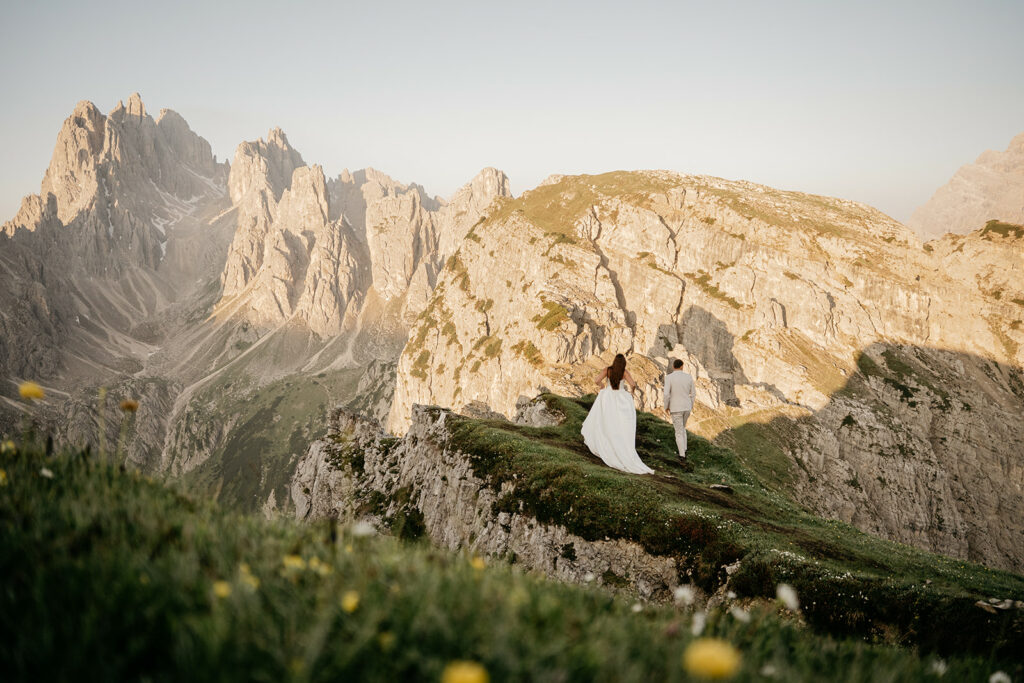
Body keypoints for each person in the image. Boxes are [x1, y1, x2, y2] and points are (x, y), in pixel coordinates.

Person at [580, 353, 654, 475]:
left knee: (606, 420)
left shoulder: (607, 370)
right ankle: (619, 445)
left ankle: (605, 440)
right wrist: (631, 391)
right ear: (623, 363)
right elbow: (633, 384)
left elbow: (596, 380)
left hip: (607, 396)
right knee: (618, 423)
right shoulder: (624, 372)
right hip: (620, 397)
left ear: (614, 361)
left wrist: (603, 386)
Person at [664, 359, 696, 460]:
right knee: (683, 427)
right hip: (686, 407)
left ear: (673, 366)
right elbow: (693, 394)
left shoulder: (669, 378)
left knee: (678, 431)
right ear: (682, 366)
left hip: (675, 407)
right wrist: (690, 404)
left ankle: (682, 455)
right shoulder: (689, 377)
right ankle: (685, 448)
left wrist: (666, 406)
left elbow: (666, 394)